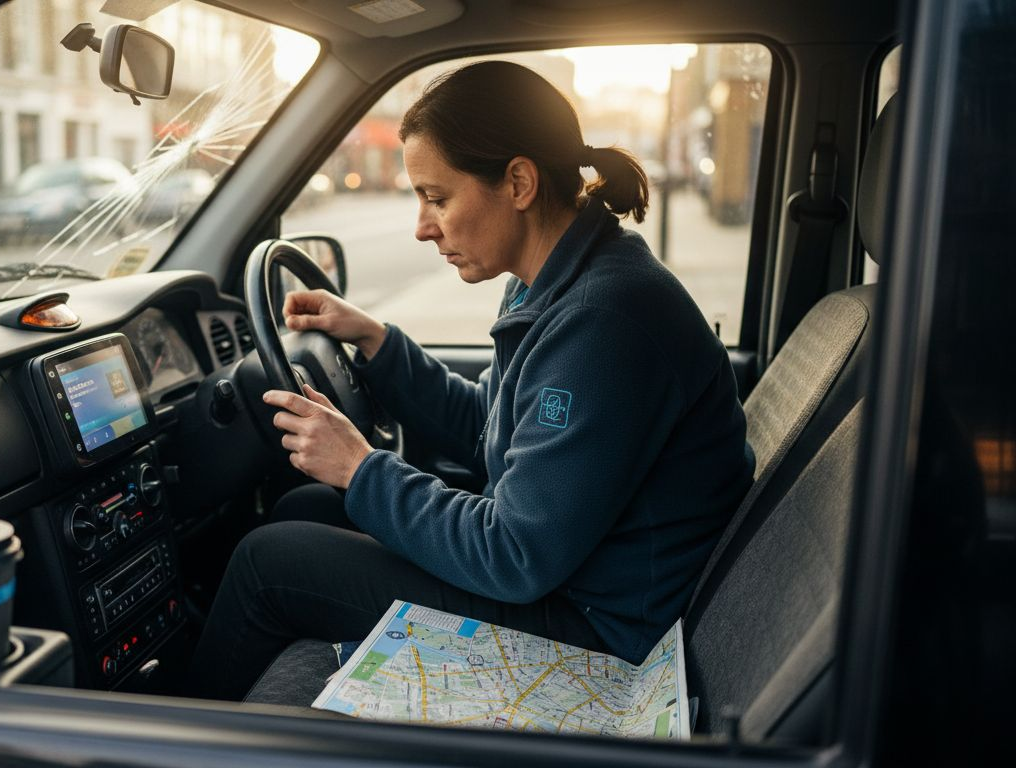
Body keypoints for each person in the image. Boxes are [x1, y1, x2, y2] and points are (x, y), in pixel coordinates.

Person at [186, 60, 755, 701]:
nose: (424, 226)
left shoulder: (605, 321)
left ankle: (153, 743)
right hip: (578, 579)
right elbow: (492, 429)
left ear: (517, 182)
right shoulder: (556, 279)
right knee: (305, 506)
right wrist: (377, 343)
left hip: (601, 632)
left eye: (438, 197)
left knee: (269, 564)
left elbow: (513, 554)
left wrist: (359, 466)